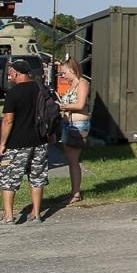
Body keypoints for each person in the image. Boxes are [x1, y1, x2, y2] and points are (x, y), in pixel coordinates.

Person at [0, 55, 49, 225]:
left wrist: (2, 144)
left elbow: (8, 120)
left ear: (17, 73)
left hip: (17, 143)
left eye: (10, 74)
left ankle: (9, 216)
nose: (10, 77)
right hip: (40, 141)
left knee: (8, 177)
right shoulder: (42, 89)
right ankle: (36, 214)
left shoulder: (13, 93)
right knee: (37, 177)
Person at [54, 57, 91, 204]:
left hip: (78, 124)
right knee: (70, 160)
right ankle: (74, 191)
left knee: (73, 160)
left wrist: (63, 107)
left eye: (64, 73)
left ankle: (76, 193)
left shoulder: (82, 83)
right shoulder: (72, 85)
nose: (63, 76)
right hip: (68, 123)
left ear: (72, 70)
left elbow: (80, 104)